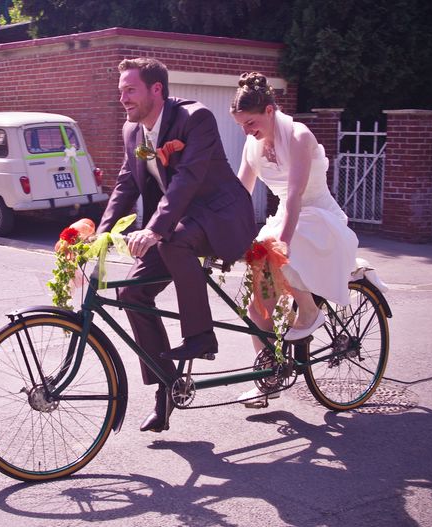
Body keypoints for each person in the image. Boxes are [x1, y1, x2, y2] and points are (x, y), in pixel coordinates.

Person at [97, 58, 257, 432]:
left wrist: (153, 230)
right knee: (131, 294)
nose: (123, 98)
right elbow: (126, 184)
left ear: (156, 89)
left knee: (174, 242)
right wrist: (101, 235)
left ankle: (201, 336)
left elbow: (187, 178)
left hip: (220, 216)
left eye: (130, 90)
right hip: (180, 220)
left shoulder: (195, 118)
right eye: (120, 91)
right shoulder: (132, 131)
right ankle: (167, 387)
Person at [230, 72, 359, 407]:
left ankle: (309, 311)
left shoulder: (299, 136)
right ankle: (268, 379)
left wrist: (282, 243)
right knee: (257, 305)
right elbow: (240, 195)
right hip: (285, 220)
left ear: (270, 110)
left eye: (251, 123)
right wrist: (217, 230)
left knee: (273, 249)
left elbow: (295, 196)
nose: (247, 131)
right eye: (241, 125)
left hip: (317, 218)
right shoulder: (253, 145)